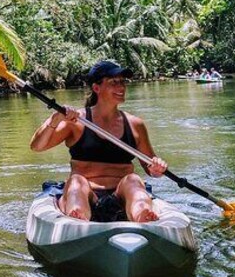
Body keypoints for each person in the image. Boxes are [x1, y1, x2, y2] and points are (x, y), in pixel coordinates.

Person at [30, 61, 168, 223]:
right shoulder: (76, 121)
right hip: (86, 194)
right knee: (76, 181)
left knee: (133, 179)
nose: (121, 87)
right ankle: (78, 218)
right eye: (113, 82)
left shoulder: (136, 124)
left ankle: (142, 216)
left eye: (122, 82)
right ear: (96, 88)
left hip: (121, 195)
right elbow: (37, 146)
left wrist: (157, 169)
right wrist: (55, 119)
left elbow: (150, 167)